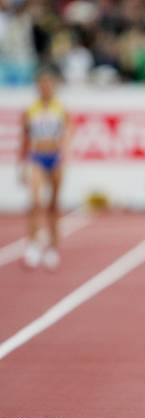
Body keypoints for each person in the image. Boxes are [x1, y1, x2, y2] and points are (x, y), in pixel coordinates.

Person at [19, 69, 70, 270]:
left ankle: (53, 247)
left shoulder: (61, 109)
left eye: (49, 85)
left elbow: (67, 134)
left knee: (54, 205)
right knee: (35, 201)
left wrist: (64, 156)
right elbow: (24, 139)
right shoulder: (31, 110)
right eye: (42, 85)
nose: (45, 89)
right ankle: (32, 243)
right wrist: (21, 165)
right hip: (36, 158)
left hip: (55, 158)